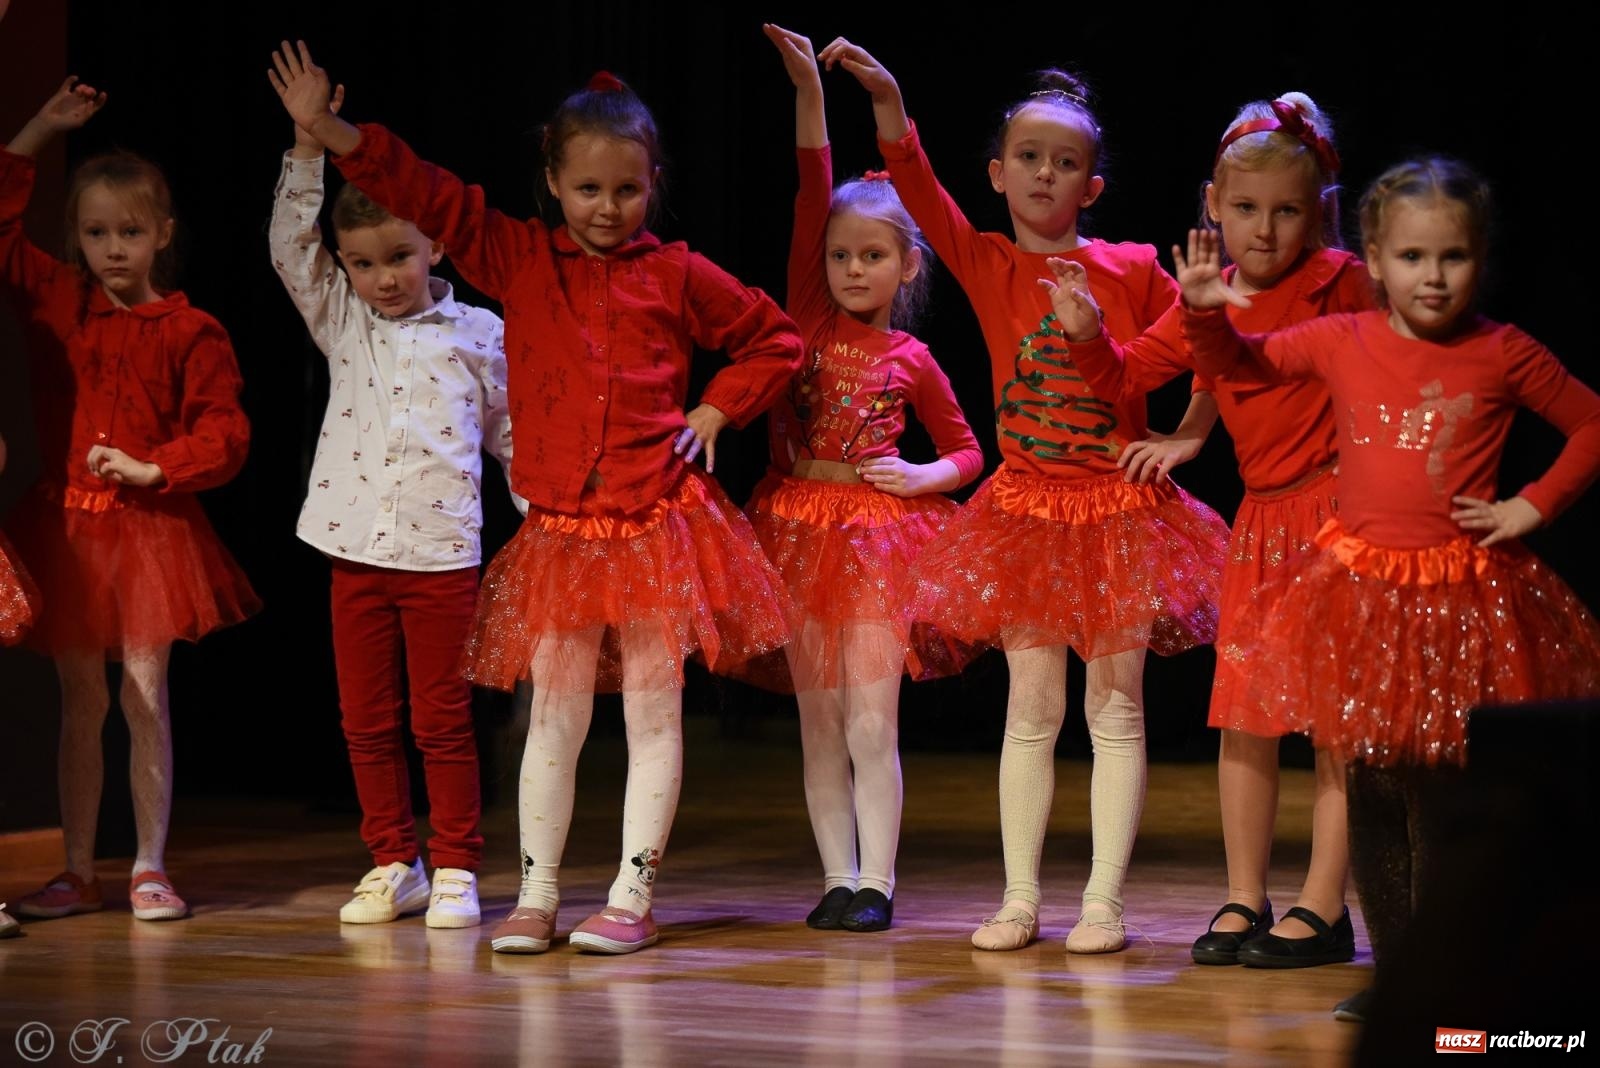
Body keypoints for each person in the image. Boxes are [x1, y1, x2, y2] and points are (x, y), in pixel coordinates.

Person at [271, 41, 802, 955]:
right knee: (554, 714)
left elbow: (775, 340)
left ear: (653, 183)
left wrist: (720, 405)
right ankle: (538, 892)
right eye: (589, 189)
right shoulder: (516, 257)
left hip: (653, 522)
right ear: (553, 182)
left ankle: (632, 899)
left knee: (651, 711)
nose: (608, 208)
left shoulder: (675, 272)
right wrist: (328, 133)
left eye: (627, 191)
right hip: (563, 529)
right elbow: (431, 193)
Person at [823, 39, 1228, 953]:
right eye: (1031, 159)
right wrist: (890, 101)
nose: (1048, 173)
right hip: (1026, 513)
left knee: (1114, 706)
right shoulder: (987, 261)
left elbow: (1208, 343)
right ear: (1000, 176)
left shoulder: (1131, 267)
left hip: (1117, 510)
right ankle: (1018, 898)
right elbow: (916, 185)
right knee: (1032, 708)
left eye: (1068, 162)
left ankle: (1104, 904)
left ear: (1092, 184)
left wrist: (1189, 434)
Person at [1176, 156, 1600, 1015]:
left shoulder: (1502, 351)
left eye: (1452, 258)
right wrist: (1203, 317)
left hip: (1460, 601)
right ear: (1373, 256)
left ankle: (1457, 965)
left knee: (1440, 785)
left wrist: (1532, 505)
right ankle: (1399, 972)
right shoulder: (1344, 339)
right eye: (1412, 258)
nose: (1432, 277)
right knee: (1370, 782)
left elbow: (1592, 421)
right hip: (1361, 595)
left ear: (1480, 259)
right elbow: (1247, 368)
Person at [1046, 94, 1373, 967]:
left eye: (1286, 211)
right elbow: (1126, 373)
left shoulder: (1342, 281)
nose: (1263, 231)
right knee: (1248, 717)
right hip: (1263, 523)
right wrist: (1085, 337)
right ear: (1212, 207)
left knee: (1336, 723)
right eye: (1245, 210)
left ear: (1318, 212)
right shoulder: (1211, 291)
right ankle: (1244, 897)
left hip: (1341, 515)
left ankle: (1324, 905)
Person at [3, 78, 257, 923]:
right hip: (69, 527)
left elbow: (226, 429)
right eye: (97, 233)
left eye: (131, 232)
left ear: (163, 234)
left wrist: (158, 468)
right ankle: (78, 869)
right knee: (82, 699)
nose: (114, 249)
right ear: (77, 238)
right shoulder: (59, 301)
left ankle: (149, 863)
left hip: (148, 533)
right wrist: (39, 127)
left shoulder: (191, 330)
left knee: (145, 694)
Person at [751, 26, 984, 933]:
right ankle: (837, 877)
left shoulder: (915, 357)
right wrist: (810, 90)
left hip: (879, 538)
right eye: (842, 255)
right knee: (818, 723)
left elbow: (968, 451)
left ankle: (879, 882)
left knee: (870, 723)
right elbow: (814, 185)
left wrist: (922, 476)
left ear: (907, 265)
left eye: (873, 256)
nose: (853, 268)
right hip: (797, 529)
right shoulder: (804, 314)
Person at [269, 90, 518, 929]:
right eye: (364, 264)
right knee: (366, 720)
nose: (382, 279)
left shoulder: (479, 332)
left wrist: (546, 520)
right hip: (353, 552)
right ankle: (391, 861)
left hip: (442, 555)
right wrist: (307, 153)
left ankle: (454, 864)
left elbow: (512, 436)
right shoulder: (345, 322)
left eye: (399, 258)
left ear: (435, 243)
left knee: (442, 719)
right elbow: (285, 251)